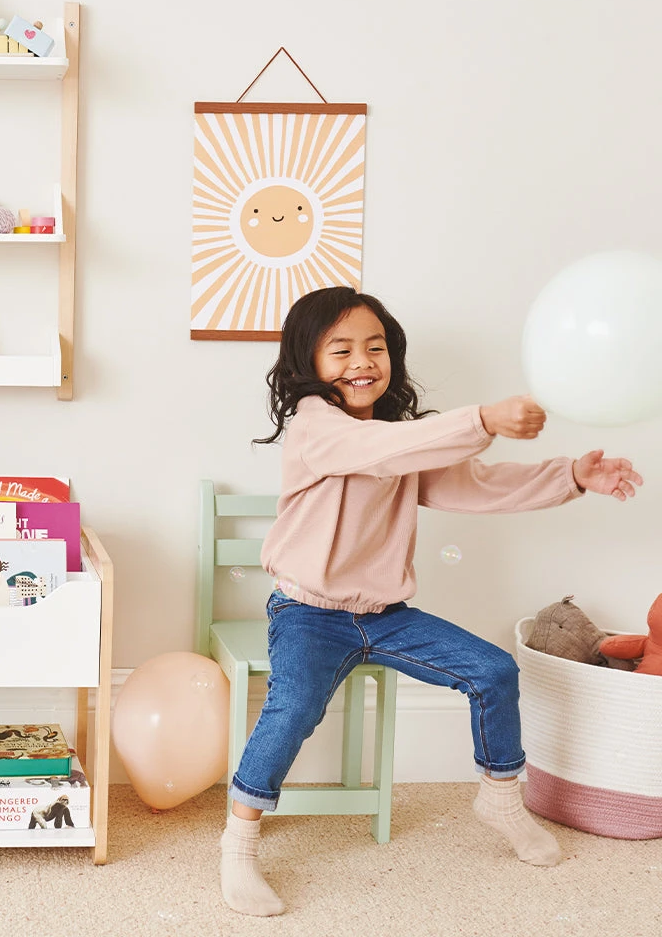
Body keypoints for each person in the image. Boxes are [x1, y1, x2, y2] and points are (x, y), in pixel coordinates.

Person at [219, 286, 643, 917]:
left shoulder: (400, 441)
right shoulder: (316, 427)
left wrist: (571, 476)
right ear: (310, 363)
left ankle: (500, 798)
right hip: (308, 613)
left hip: (385, 617)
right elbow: (374, 452)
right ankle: (240, 842)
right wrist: (483, 420)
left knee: (494, 671)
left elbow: (476, 486)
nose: (363, 360)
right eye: (342, 349)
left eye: (376, 347)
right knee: (295, 708)